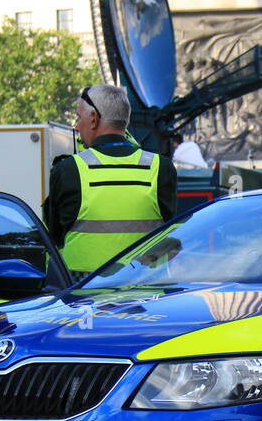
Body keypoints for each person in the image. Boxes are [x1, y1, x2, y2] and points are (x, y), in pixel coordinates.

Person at [44, 85, 177, 278]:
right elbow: (172, 231)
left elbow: (54, 235)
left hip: (83, 297)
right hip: (146, 296)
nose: (77, 126)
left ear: (93, 118)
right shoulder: (161, 168)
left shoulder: (68, 170)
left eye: (78, 117)